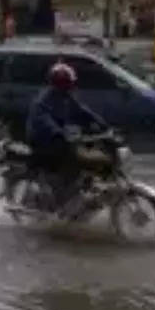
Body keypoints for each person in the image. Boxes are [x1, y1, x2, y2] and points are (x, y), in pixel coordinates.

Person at [25, 62, 109, 217]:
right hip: (42, 141)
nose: (70, 87)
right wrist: (58, 132)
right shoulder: (43, 101)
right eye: (67, 84)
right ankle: (62, 198)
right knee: (69, 157)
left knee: (86, 155)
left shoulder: (66, 98)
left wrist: (101, 124)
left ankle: (78, 191)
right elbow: (44, 120)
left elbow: (82, 111)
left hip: (59, 138)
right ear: (60, 84)